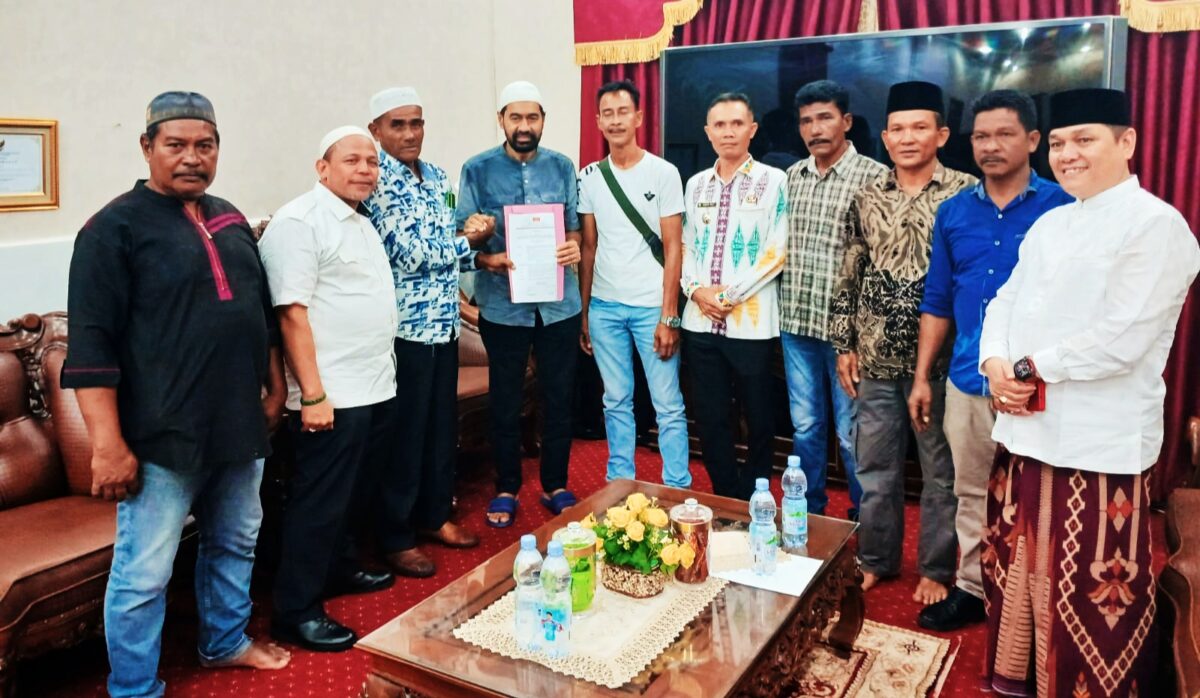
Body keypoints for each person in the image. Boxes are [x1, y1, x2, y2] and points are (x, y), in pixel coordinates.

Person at [62, 91, 291, 697]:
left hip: (239, 424)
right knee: (144, 572)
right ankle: (134, 686)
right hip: (161, 435)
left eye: (205, 145)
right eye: (177, 145)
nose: (192, 157)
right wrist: (107, 445)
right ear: (147, 148)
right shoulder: (111, 230)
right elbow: (90, 348)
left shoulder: (229, 217)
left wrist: (275, 385)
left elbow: (259, 314)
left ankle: (225, 642)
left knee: (236, 540)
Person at [979, 87, 1200, 697]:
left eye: (1084, 139)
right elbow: (1004, 300)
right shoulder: (1051, 222)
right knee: (1017, 564)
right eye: (1058, 143)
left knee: (1091, 585)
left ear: (1126, 142)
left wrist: (1028, 367)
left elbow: (1122, 337)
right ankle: (1024, 678)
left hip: (1096, 441)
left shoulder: (1157, 226)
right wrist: (995, 362)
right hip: (1026, 427)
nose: (1068, 154)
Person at [909, 90, 1073, 632]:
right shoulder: (954, 212)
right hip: (968, 378)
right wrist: (922, 378)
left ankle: (1039, 597)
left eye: (1005, 134)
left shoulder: (1064, 209)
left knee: (1042, 493)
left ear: (1033, 140)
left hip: (1040, 384)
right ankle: (974, 589)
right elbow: (937, 301)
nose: (990, 145)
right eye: (981, 136)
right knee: (971, 491)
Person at [829, 81, 976, 604]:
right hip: (874, 359)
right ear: (886, 138)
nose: (908, 138)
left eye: (920, 127)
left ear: (941, 134)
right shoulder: (867, 195)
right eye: (898, 129)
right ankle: (876, 558)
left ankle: (936, 568)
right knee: (874, 467)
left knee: (941, 472)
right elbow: (850, 271)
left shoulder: (966, 194)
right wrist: (844, 344)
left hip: (939, 365)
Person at [260, 126, 399, 652]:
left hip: (372, 383)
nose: (365, 170)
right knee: (318, 502)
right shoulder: (299, 222)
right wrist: (313, 394)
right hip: (331, 392)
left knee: (353, 493)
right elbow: (291, 313)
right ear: (322, 168)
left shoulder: (360, 220)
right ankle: (294, 610)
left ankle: (339, 568)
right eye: (352, 160)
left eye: (372, 162)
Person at [364, 87, 486, 578]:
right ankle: (395, 536)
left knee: (440, 428)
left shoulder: (435, 175)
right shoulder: (375, 179)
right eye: (397, 124)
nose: (410, 133)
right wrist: (470, 240)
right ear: (376, 130)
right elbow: (411, 254)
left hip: (444, 323)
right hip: (404, 332)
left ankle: (435, 516)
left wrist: (481, 251)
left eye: (416, 122)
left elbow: (447, 246)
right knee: (406, 435)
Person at [455, 81, 583, 527]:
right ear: (501, 120)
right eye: (516, 117)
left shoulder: (562, 167)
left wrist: (572, 247)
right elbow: (462, 236)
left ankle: (556, 484)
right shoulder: (477, 169)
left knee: (559, 398)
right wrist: (484, 251)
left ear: (543, 120)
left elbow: (572, 227)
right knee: (505, 401)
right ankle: (506, 487)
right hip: (502, 306)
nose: (524, 125)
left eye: (532, 117)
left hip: (559, 306)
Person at [779, 79, 886, 520]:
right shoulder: (792, 177)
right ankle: (809, 515)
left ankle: (865, 520)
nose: (815, 129)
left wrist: (860, 336)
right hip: (796, 324)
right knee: (805, 427)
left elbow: (880, 263)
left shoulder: (875, 178)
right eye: (806, 121)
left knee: (850, 432)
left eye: (824, 118)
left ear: (846, 121)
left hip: (849, 338)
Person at [577, 79, 691, 489]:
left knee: (668, 405)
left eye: (623, 112)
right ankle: (619, 484)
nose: (615, 120)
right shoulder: (590, 177)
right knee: (615, 401)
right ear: (598, 122)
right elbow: (589, 247)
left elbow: (674, 248)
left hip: (651, 308)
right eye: (607, 114)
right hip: (605, 308)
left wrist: (669, 315)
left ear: (639, 117)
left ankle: (677, 486)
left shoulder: (663, 173)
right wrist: (585, 313)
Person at [680, 92, 788, 499]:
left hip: (751, 324)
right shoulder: (695, 185)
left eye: (737, 124)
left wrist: (728, 296)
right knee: (710, 416)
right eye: (720, 125)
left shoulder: (774, 181)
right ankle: (725, 493)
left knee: (759, 416)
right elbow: (685, 246)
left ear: (752, 130)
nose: (728, 132)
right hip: (699, 322)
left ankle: (753, 495)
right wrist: (696, 291)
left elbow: (778, 251)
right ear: (708, 132)